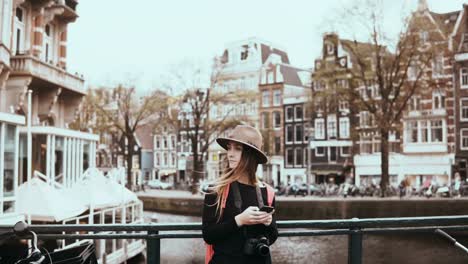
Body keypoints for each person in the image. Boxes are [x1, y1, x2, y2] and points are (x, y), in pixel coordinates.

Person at [202, 125, 278, 264]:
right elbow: (208, 235)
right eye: (229, 147)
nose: (230, 153)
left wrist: (269, 223)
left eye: (237, 149)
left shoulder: (267, 192)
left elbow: (272, 237)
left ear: (251, 155)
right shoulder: (216, 190)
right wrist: (239, 220)